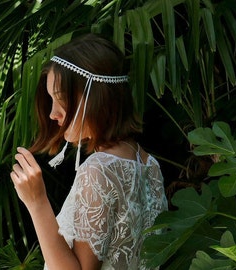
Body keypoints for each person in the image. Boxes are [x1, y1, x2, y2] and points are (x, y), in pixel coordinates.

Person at [10, 33, 168, 270]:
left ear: (95, 97)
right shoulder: (149, 164)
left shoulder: (98, 171)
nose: (53, 113)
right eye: (51, 98)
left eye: (60, 98)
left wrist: (37, 202)